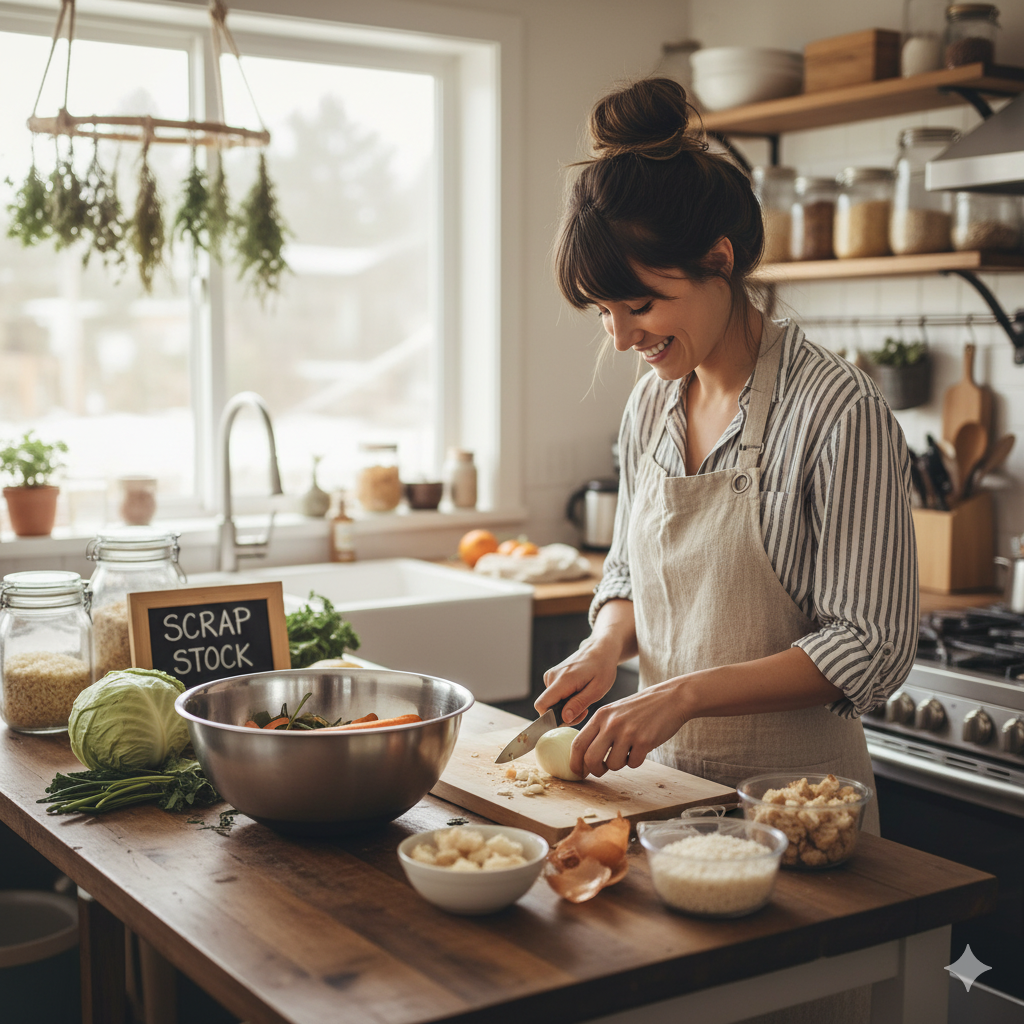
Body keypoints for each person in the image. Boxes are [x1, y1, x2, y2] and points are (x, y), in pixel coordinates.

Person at [539, 77, 918, 1023]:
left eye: (640, 305)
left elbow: (872, 646)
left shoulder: (841, 414)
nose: (623, 338)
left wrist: (688, 690)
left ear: (718, 259)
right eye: (603, 315)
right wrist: (607, 643)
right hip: (664, 812)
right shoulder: (650, 404)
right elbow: (628, 562)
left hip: (802, 827)